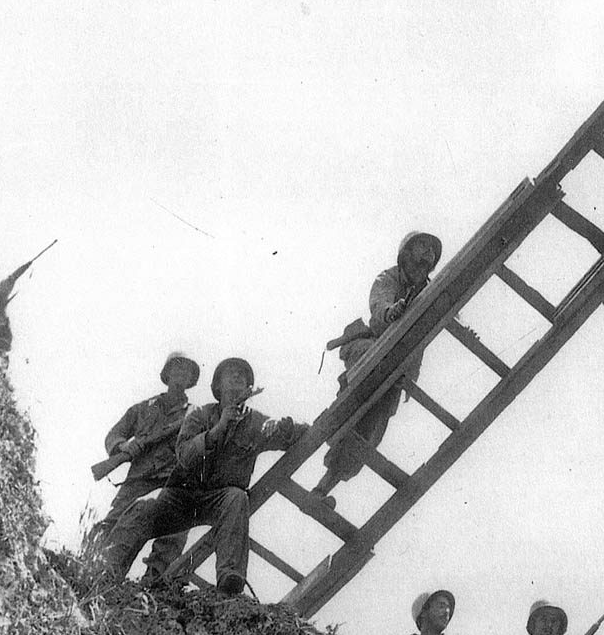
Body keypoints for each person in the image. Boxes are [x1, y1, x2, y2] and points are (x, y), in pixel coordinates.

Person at [103, 357, 308, 595]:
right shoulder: (199, 415)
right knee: (141, 508)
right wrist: (218, 430)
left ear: (249, 388)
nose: (236, 377)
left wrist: (285, 426)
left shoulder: (256, 422)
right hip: (181, 497)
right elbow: (184, 456)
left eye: (242, 376)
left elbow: (301, 433)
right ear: (217, 386)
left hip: (220, 501)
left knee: (237, 498)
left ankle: (230, 578)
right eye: (230, 374)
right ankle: (106, 576)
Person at [311, 231, 442, 508]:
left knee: (371, 427)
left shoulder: (430, 291)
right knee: (354, 400)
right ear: (406, 252)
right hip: (370, 349)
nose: (428, 253)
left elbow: (431, 325)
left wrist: (411, 376)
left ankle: (323, 487)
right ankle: (319, 434)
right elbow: (379, 303)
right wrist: (391, 311)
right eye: (422, 246)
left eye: (431, 250)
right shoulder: (389, 277)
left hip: (397, 368)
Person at [87, 352, 200, 583]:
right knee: (113, 524)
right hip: (138, 479)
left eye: (186, 371)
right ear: (167, 374)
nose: (181, 374)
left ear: (191, 379)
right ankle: (93, 572)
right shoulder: (143, 409)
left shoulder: (196, 414)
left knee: (173, 533)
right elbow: (115, 434)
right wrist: (124, 446)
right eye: (177, 368)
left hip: (171, 480)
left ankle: (154, 584)